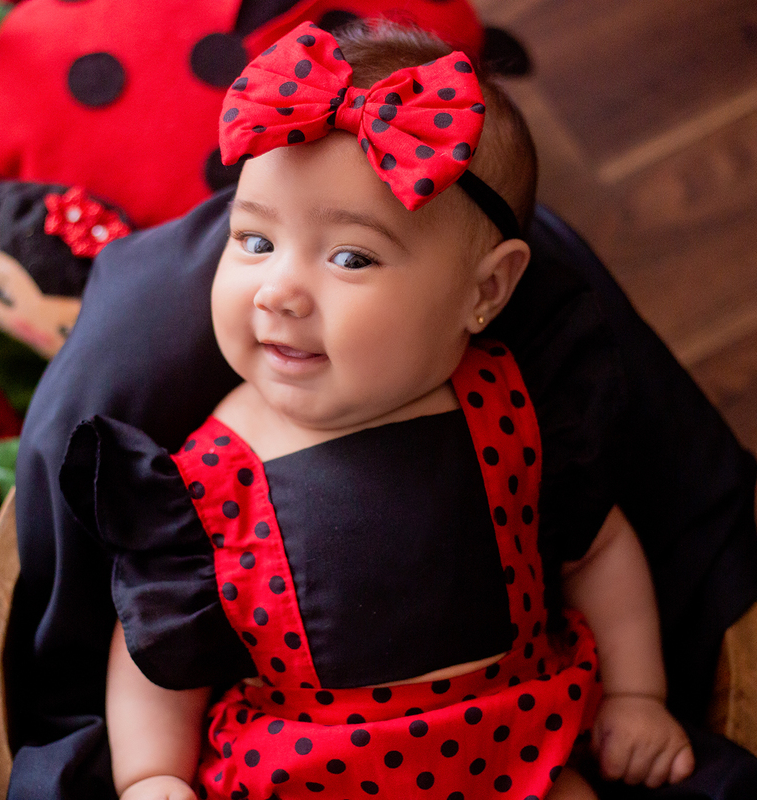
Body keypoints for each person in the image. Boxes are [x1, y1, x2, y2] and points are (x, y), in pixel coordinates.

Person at [58, 22, 700, 800]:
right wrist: (152, 775)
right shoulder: (202, 478)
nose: (279, 291)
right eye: (254, 241)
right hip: (303, 777)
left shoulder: (519, 409)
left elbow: (597, 553)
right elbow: (156, 652)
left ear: (484, 292)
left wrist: (639, 696)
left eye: (351, 258)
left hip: (520, 755)